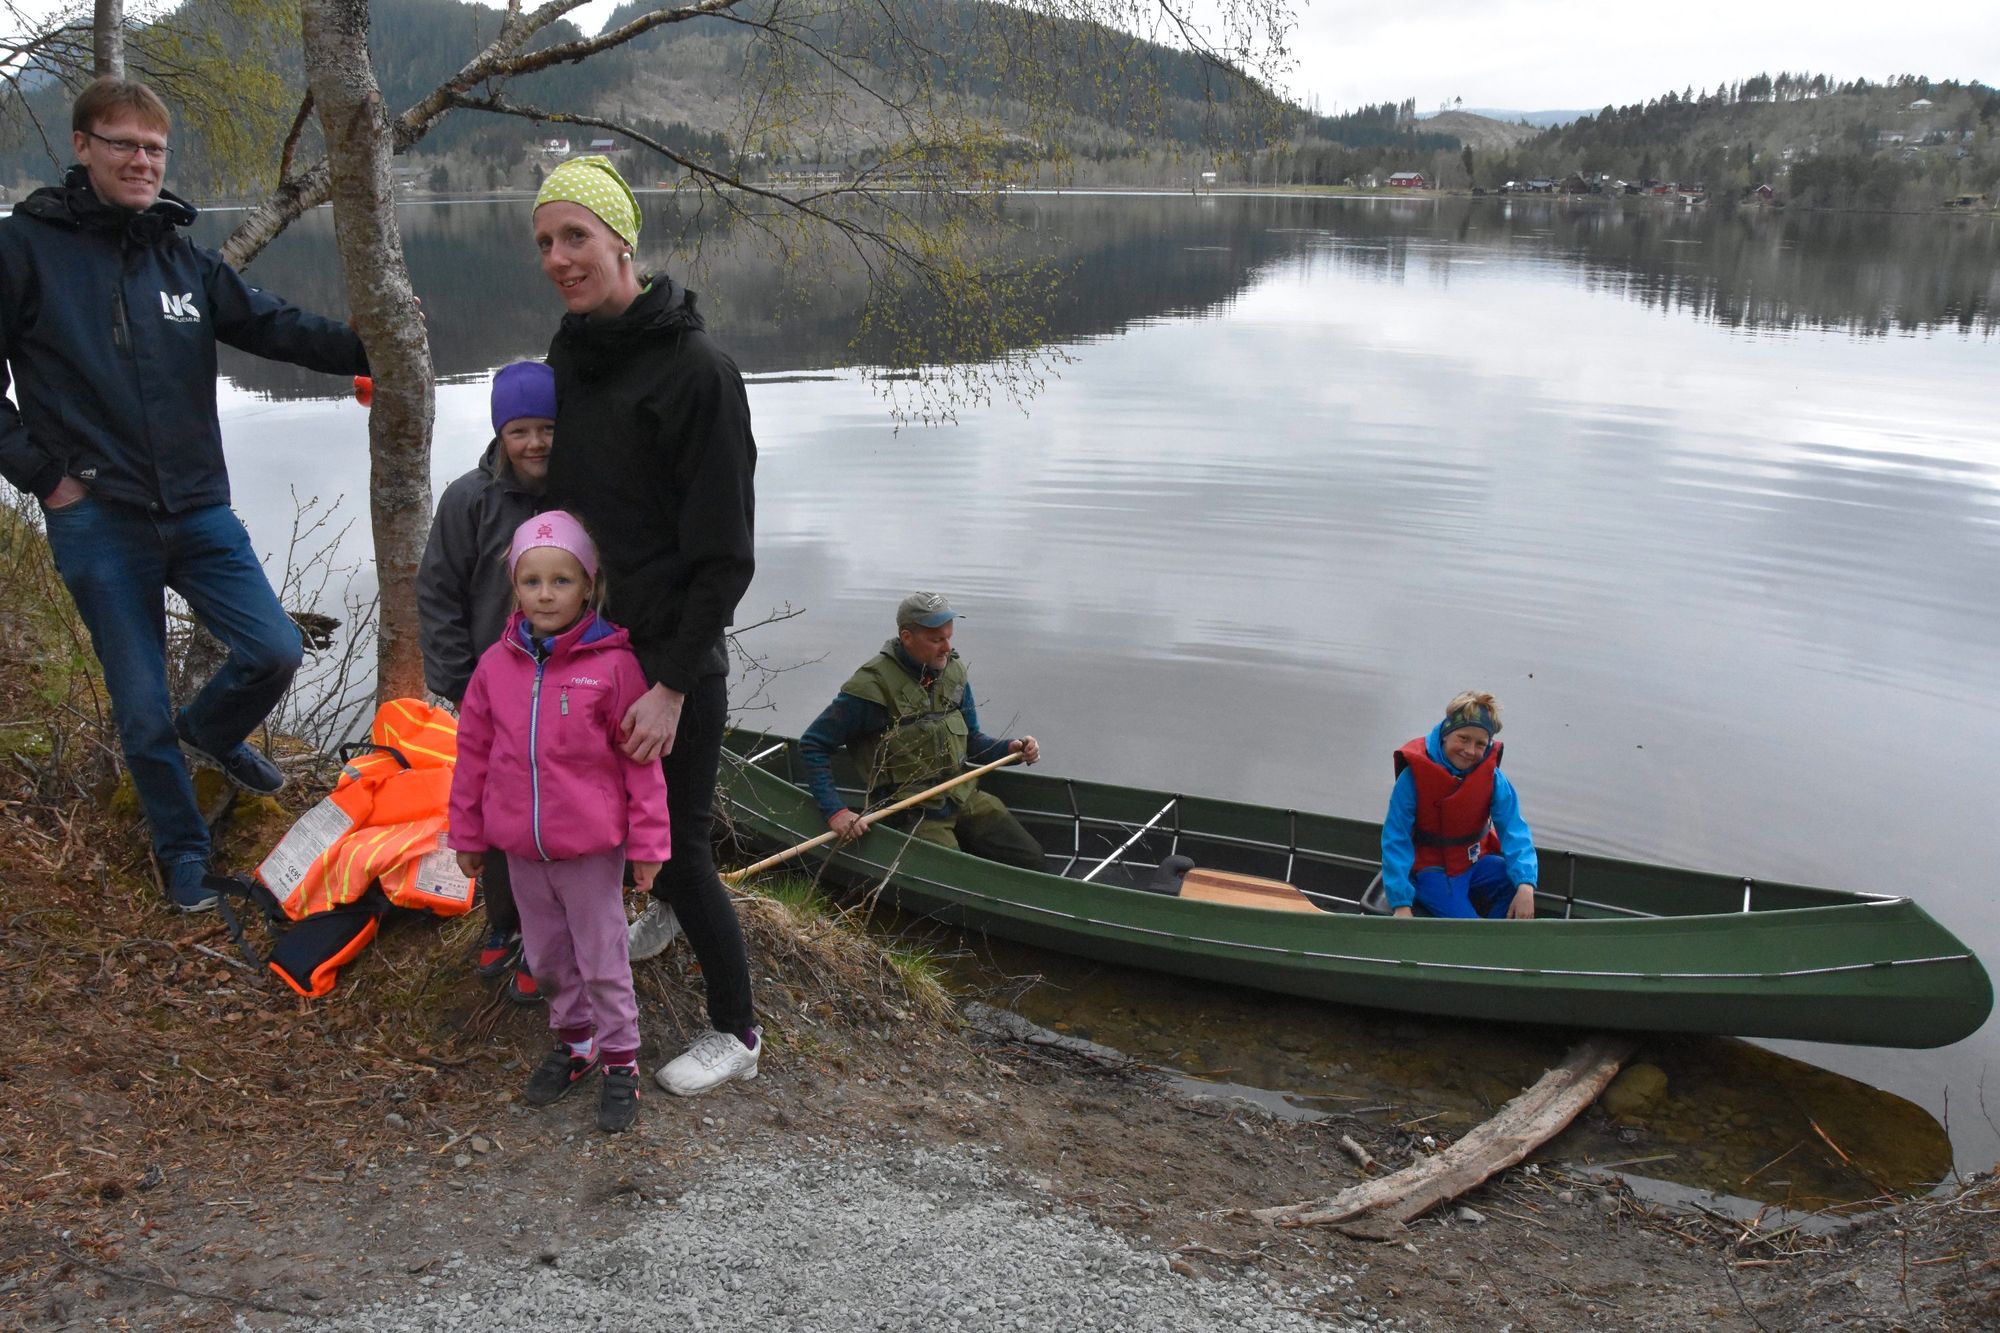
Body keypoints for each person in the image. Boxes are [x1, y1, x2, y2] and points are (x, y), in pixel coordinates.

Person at [0, 78, 369, 912]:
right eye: (123, 143)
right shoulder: (24, 249)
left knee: (273, 648)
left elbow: (270, 324)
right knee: (139, 704)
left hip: (198, 507)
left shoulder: (177, 253)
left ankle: (208, 733)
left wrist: (373, 344)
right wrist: (46, 479)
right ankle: (184, 852)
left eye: (154, 148)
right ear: (82, 146)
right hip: (97, 516)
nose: (141, 160)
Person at [530, 155, 762, 1098]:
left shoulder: (699, 373)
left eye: (575, 237)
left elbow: (726, 555)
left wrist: (670, 684)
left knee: (681, 849)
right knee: (616, 836)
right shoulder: (573, 354)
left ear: (623, 238)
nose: (558, 257)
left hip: (672, 658)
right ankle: (653, 919)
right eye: (544, 243)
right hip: (593, 648)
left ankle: (737, 1029)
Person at [448, 512, 669, 1133]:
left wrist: (649, 846)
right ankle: (576, 1044)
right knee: (545, 957)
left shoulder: (615, 666)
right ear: (514, 588)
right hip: (521, 850)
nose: (546, 594)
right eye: (532, 581)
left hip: (592, 852)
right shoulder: (495, 667)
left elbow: (641, 765)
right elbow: (472, 755)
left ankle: (621, 1057)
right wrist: (466, 833)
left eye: (562, 581)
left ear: (588, 587)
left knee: (601, 956)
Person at [417, 360, 565, 1005]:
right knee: (501, 815)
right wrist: (456, 682)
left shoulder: (585, 492)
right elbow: (438, 591)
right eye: (520, 430)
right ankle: (503, 924)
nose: (535, 443)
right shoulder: (469, 499)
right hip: (492, 690)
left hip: (568, 691)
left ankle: (549, 937)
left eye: (548, 428)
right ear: (501, 435)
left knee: (560, 816)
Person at [799, 592, 1043, 869]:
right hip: (912, 812)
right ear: (907, 637)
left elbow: (973, 741)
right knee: (958, 875)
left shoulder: (953, 672)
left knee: (1031, 858)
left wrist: (1010, 749)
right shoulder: (871, 687)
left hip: (962, 795)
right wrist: (836, 812)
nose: (947, 648)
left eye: (949, 637)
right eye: (937, 640)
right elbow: (813, 745)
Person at [1380, 691, 1538, 920]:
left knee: (1515, 885)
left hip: (1474, 861)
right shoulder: (1413, 778)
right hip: (1433, 870)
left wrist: (1525, 883)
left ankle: (1499, 937)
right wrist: (1401, 903)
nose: (1470, 751)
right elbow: (1396, 838)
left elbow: (1514, 830)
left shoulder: (1493, 779)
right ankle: (1485, 946)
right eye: (1463, 738)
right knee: (1467, 926)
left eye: (1480, 744)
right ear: (1446, 734)